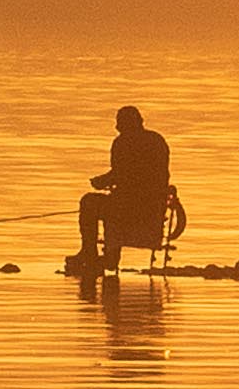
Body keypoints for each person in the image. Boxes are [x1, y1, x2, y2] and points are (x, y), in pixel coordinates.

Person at [66, 105, 170, 276]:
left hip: (127, 207)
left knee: (89, 202)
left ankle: (89, 253)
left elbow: (120, 174)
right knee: (111, 203)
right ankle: (108, 256)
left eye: (119, 123)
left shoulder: (122, 143)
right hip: (152, 208)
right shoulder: (157, 140)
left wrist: (101, 182)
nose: (117, 128)